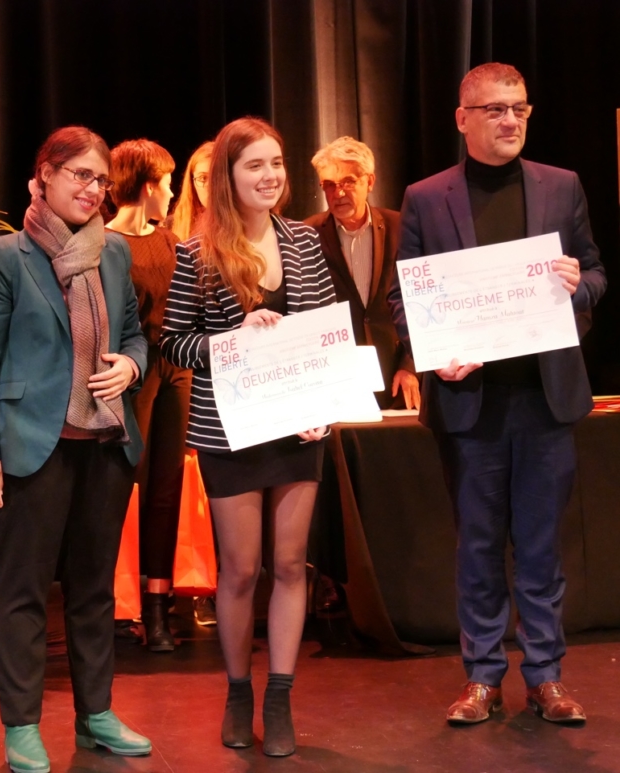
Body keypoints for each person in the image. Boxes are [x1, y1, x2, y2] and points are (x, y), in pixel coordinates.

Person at [388, 63, 606, 725]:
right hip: (470, 405)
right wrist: (435, 354)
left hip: (545, 400)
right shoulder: (426, 197)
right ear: (463, 119)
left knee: (540, 547)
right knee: (478, 548)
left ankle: (546, 677)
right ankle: (482, 677)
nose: (510, 119)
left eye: (519, 108)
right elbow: (404, 298)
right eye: (494, 109)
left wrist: (579, 284)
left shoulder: (561, 186)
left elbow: (597, 274)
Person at [0, 126, 151, 773]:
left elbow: (135, 334)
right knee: (21, 592)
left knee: (94, 591)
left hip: (105, 445)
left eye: (101, 179)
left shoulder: (116, 252)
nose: (92, 189)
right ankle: (21, 726)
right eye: (79, 175)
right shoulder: (5, 256)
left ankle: (96, 713)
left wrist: (131, 365)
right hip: (30, 447)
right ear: (43, 176)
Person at [160, 116, 335, 756]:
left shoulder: (306, 242)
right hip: (231, 431)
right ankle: (238, 692)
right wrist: (230, 339)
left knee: (289, 564)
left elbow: (327, 334)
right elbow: (173, 342)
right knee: (240, 569)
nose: (269, 176)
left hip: (299, 429)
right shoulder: (196, 252)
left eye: (276, 163)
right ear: (227, 177)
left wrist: (325, 406)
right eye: (254, 165)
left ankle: (279, 697)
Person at [105, 139, 191, 652]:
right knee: (124, 485)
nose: (173, 192)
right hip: (131, 375)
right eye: (167, 183)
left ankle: (158, 608)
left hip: (176, 371)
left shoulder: (171, 241)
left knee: (166, 488)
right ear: (147, 186)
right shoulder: (104, 243)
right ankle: (117, 607)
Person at [304, 136, 419, 409]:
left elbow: (420, 302)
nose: (338, 193)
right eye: (329, 185)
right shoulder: (306, 235)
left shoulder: (401, 227)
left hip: (397, 381)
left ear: (370, 181)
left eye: (348, 182)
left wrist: (410, 366)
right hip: (337, 385)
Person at [167, 139, 219, 626]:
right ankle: (185, 585)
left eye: (214, 175)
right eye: (200, 177)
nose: (208, 185)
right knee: (182, 485)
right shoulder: (175, 235)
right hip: (178, 375)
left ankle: (209, 583)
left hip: (224, 386)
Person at [169, 140, 214, 242]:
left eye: (215, 177)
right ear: (192, 182)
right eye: (203, 178)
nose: (210, 186)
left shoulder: (245, 223)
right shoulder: (171, 225)